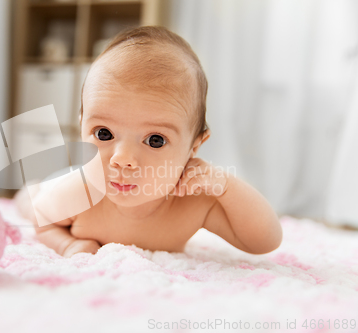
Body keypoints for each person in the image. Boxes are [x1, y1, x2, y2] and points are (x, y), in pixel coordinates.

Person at [15, 26, 282, 258]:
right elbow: (43, 220)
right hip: (65, 179)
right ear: (83, 125)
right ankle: (31, 188)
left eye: (155, 140)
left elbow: (263, 242)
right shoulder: (79, 193)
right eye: (104, 133)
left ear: (194, 147)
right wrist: (68, 245)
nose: (122, 158)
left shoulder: (193, 204)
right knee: (31, 203)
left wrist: (226, 187)